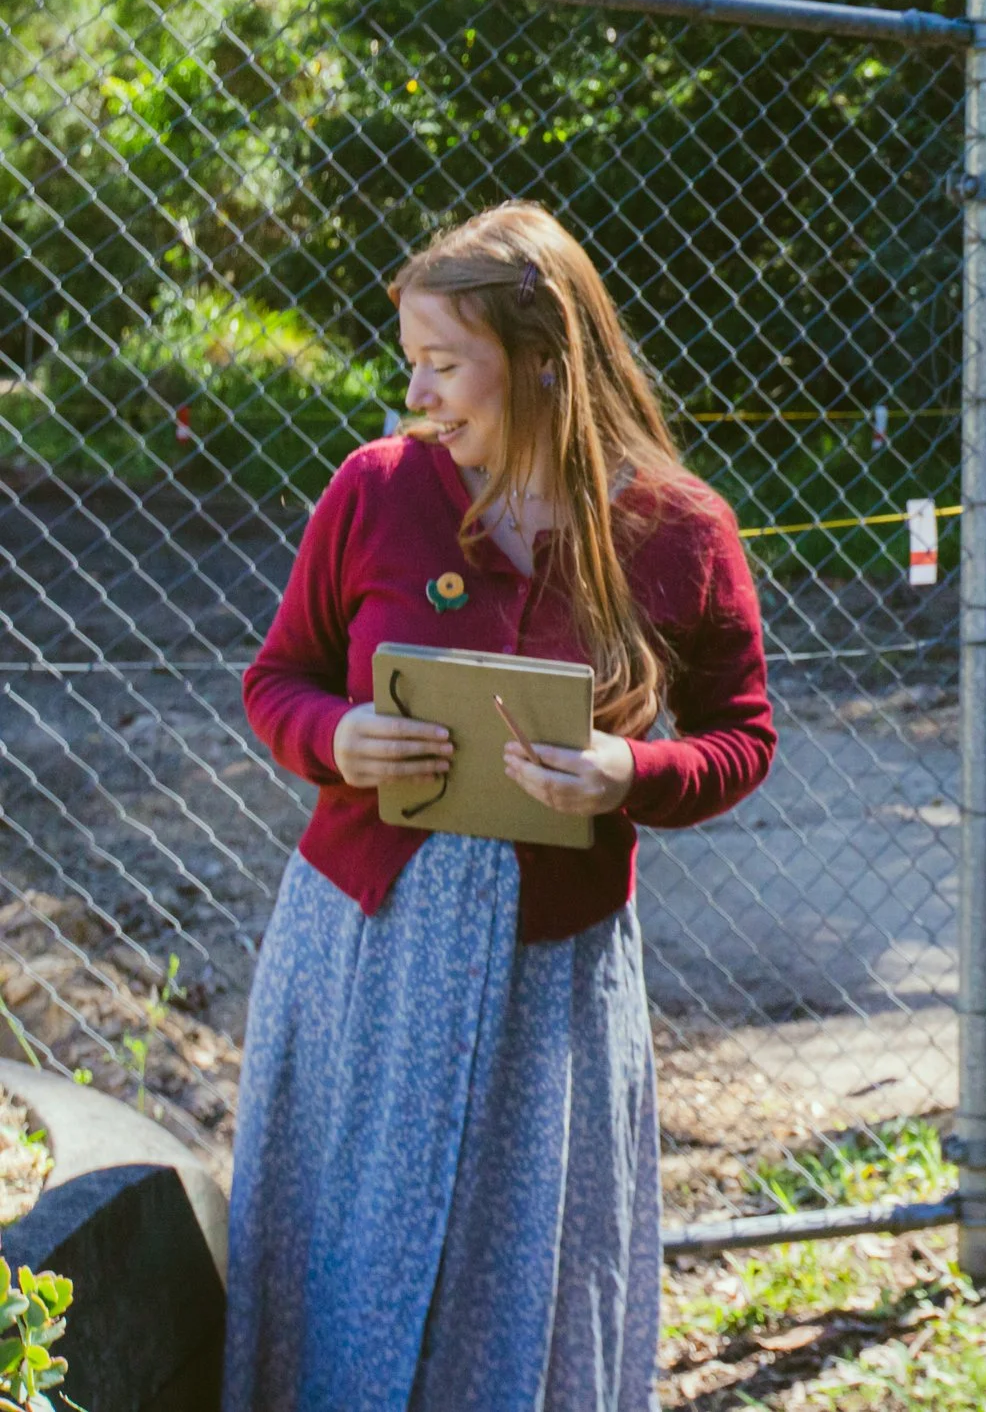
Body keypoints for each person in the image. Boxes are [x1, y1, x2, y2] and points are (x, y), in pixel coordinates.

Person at [231, 201, 777, 1410]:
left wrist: (630, 774)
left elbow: (742, 740)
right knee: (347, 1252)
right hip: (367, 951)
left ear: (542, 357)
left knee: (522, 1268)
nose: (418, 392)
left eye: (444, 362)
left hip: (555, 974)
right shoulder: (375, 490)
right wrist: (339, 737)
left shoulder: (679, 529)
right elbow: (275, 680)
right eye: (412, 361)